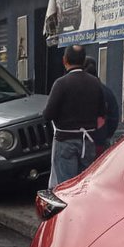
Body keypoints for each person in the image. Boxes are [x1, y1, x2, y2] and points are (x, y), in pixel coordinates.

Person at [43, 44, 106, 186]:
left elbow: (48, 114)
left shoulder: (61, 84)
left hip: (65, 142)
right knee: (84, 185)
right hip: (88, 142)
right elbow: (102, 114)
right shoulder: (95, 83)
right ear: (83, 61)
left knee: (66, 186)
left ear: (64, 60)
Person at [84, 58, 119, 154]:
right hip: (101, 140)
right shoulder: (106, 91)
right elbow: (114, 117)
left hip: (84, 142)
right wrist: (106, 135)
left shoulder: (80, 92)